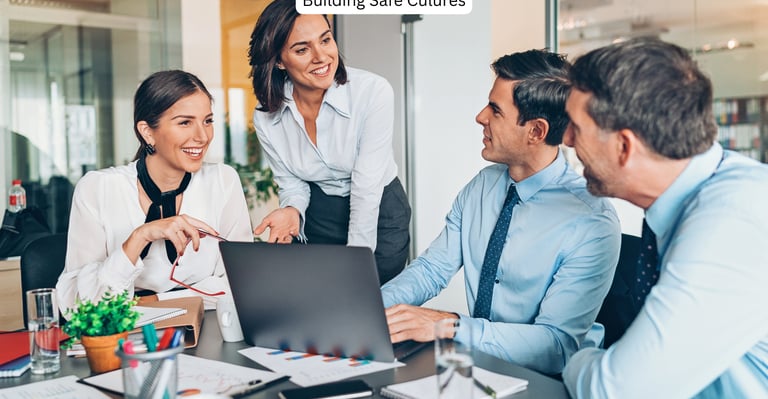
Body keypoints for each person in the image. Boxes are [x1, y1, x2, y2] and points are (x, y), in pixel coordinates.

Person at [381, 50, 621, 375]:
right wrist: (371, 310)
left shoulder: (591, 221)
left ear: (536, 131)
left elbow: (556, 347)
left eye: (495, 110)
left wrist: (450, 326)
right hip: (482, 365)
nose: (481, 117)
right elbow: (431, 270)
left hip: (549, 381)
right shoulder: (482, 186)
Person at [561, 37, 768, 398]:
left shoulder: (731, 222)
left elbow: (616, 390)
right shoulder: (695, 198)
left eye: (575, 128)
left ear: (624, 147)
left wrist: (575, 358)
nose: (565, 140)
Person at [57, 70, 253, 312]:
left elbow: (241, 286)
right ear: (147, 132)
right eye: (185, 122)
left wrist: (151, 303)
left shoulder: (223, 181)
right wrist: (140, 237)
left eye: (208, 121)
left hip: (207, 330)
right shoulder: (97, 189)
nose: (202, 136)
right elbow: (77, 305)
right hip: (123, 336)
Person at [248, 0, 411, 284]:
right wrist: (292, 210)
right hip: (320, 211)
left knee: (368, 301)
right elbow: (292, 184)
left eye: (326, 40)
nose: (321, 56)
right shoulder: (267, 118)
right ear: (278, 61)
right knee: (315, 299)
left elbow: (366, 185)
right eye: (302, 49)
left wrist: (356, 262)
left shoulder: (372, 92)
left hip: (379, 209)